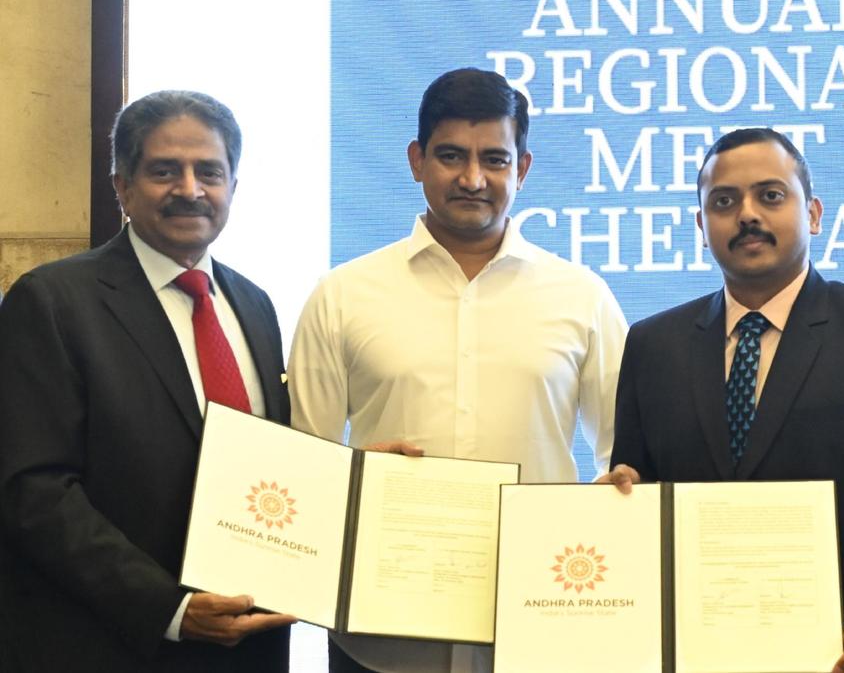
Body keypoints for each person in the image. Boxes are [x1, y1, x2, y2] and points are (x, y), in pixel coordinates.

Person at [287, 68, 628, 673]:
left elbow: (624, 458)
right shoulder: (341, 295)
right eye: (451, 156)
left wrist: (607, 511)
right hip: (381, 636)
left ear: (522, 169)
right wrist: (356, 478)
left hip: (539, 627)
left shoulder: (583, 297)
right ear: (417, 161)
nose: (473, 179)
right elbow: (302, 465)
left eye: (495, 159)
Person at [601, 127, 844, 673]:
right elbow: (639, 490)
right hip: (697, 657)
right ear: (701, 226)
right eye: (724, 202)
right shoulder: (653, 345)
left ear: (813, 213)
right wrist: (617, 504)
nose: (747, 215)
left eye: (770, 196)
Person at [0, 90, 294, 671]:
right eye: (164, 171)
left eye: (209, 172)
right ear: (122, 186)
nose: (190, 189)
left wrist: (357, 479)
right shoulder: (51, 302)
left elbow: (270, 465)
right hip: (112, 643)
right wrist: (170, 609)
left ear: (233, 186)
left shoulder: (255, 304)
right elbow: (33, 490)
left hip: (247, 642)